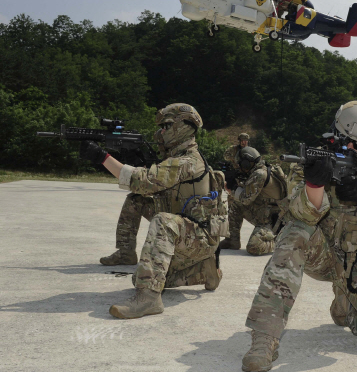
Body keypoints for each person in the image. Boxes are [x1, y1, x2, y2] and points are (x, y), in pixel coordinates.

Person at [242, 101, 357, 372]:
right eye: (344, 140)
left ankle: (346, 302)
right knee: (295, 233)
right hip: (321, 253)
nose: (348, 149)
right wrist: (315, 184)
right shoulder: (314, 160)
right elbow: (299, 213)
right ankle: (264, 339)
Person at [79, 103, 229, 319]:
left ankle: (149, 298)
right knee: (136, 203)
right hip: (191, 231)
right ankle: (199, 270)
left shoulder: (187, 162)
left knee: (162, 222)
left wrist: (102, 157)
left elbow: (143, 181)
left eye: (167, 126)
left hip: (200, 238)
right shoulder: (176, 158)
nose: (161, 132)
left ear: (184, 127)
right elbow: (147, 189)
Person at [99, 128, 166, 266]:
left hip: (185, 223)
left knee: (138, 196)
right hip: (176, 212)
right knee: (135, 200)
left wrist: (102, 157)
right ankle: (126, 253)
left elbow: (145, 184)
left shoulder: (180, 159)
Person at [218, 146, 288, 255]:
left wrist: (231, 189)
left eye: (241, 164)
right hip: (264, 214)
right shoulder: (265, 169)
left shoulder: (260, 174)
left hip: (272, 222)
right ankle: (232, 240)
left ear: (246, 163)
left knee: (254, 247)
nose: (240, 167)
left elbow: (245, 199)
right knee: (236, 203)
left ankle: (278, 240)